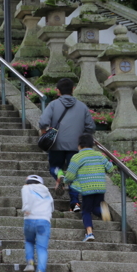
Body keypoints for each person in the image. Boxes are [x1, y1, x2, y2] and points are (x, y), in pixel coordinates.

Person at [38, 78, 96, 212]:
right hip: (76, 147)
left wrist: (44, 132)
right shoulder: (82, 106)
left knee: (54, 166)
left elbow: (43, 123)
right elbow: (91, 127)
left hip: (56, 144)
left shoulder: (53, 105)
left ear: (58, 91)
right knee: (74, 175)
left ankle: (59, 175)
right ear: (73, 89)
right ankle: (75, 203)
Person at [59, 133, 113, 242]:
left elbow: (70, 175)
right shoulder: (99, 155)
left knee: (86, 210)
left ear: (79, 145)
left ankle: (89, 233)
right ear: (92, 144)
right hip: (100, 186)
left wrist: (65, 181)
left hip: (87, 188)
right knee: (96, 207)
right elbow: (110, 168)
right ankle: (103, 212)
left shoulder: (77, 157)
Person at [21, 174, 54, 272]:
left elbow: (26, 203)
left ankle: (30, 262)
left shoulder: (26, 188)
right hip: (44, 221)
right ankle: (40, 271)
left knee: (29, 241)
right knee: (42, 248)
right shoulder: (47, 191)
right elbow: (52, 207)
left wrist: (26, 209)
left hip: (29, 219)